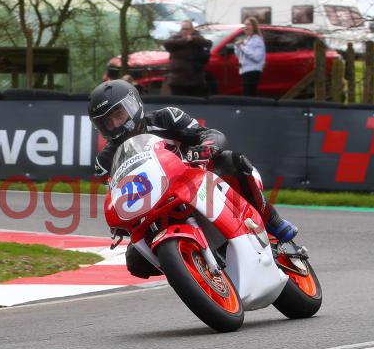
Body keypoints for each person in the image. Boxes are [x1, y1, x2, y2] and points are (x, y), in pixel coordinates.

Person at [88, 79, 304, 278]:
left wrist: (206, 148)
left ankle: (273, 222)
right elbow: (116, 195)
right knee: (135, 261)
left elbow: (209, 134)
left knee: (231, 161)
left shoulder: (166, 118)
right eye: (107, 122)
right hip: (156, 208)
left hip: (196, 181)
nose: (115, 124)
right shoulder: (104, 161)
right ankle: (190, 269)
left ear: (133, 105)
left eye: (119, 114)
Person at [162, 20, 211, 96]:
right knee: (179, 100)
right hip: (178, 79)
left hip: (195, 79)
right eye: (183, 29)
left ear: (192, 29)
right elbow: (167, 43)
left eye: (187, 29)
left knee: (195, 100)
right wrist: (185, 40)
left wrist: (192, 39)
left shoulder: (197, 37)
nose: (184, 31)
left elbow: (208, 43)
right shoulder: (176, 37)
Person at [236, 16, 265, 96]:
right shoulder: (247, 39)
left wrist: (243, 47)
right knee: (247, 94)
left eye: (248, 25)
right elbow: (240, 57)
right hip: (245, 71)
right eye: (245, 25)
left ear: (254, 27)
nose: (246, 27)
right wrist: (237, 47)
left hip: (253, 71)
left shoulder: (257, 40)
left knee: (249, 95)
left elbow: (257, 57)